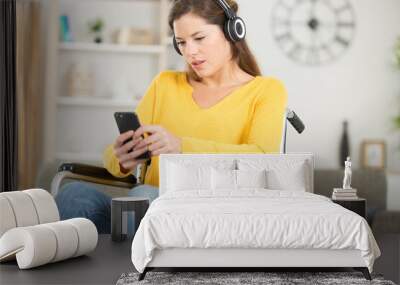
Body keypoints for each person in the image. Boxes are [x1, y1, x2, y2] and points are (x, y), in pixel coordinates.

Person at [56, 0, 288, 233]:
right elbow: (113, 157)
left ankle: (129, 260)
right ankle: (121, 261)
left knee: (142, 197)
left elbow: (262, 157)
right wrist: (122, 161)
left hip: (211, 214)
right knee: (74, 196)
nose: (190, 52)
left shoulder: (266, 90)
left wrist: (181, 146)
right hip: (147, 209)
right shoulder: (165, 84)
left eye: (199, 38)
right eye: (182, 43)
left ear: (232, 31)